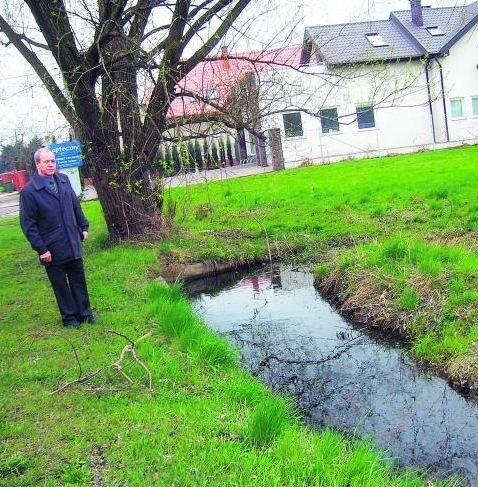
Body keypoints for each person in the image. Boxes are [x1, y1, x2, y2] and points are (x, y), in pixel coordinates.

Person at [20, 147, 94, 328]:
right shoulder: (29, 191)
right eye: (47, 162)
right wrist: (41, 249)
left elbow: (75, 206)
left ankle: (85, 314)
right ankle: (69, 318)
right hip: (51, 247)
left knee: (78, 279)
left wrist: (83, 227)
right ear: (38, 164)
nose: (51, 164)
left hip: (72, 240)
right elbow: (28, 224)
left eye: (53, 161)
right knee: (60, 285)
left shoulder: (63, 180)